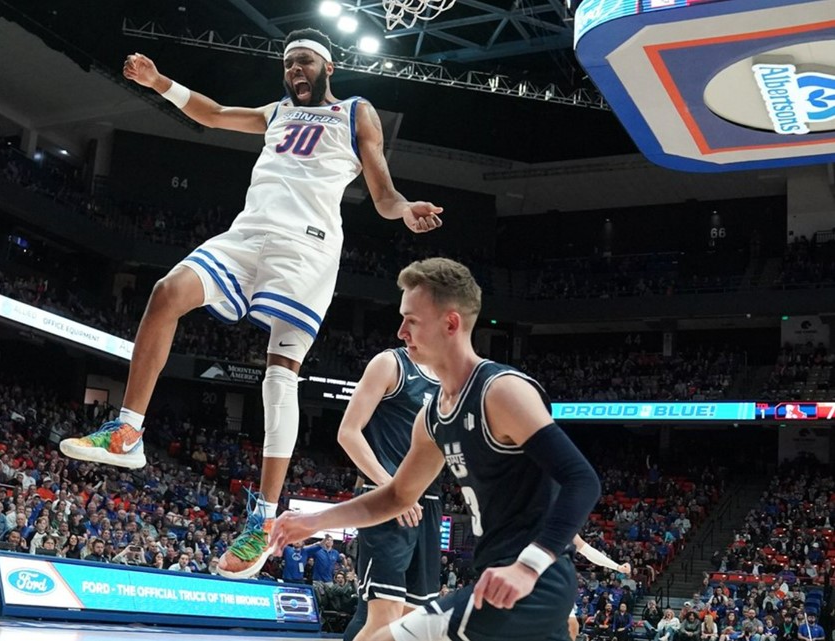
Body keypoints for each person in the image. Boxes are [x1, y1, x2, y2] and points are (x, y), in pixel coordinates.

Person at [60, 27, 443, 579]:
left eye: (305, 63)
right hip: (248, 234)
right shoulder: (277, 111)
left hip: (306, 247)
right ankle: (127, 431)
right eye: (288, 64)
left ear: (328, 68)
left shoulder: (358, 111)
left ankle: (262, 520)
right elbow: (214, 113)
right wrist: (159, 82)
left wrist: (405, 210)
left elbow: (382, 194)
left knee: (279, 375)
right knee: (167, 292)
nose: (294, 72)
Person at [269, 258, 602, 641]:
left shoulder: (502, 391)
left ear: (450, 323)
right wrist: (312, 523)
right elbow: (395, 496)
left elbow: (582, 480)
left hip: (533, 582)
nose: (400, 331)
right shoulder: (433, 416)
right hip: (497, 578)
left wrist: (527, 567)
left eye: (411, 320)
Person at [335, 346, 441, 641]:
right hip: (388, 500)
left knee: (412, 622)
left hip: (430, 504)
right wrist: (393, 488)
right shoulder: (390, 363)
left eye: (413, 318)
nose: (403, 329)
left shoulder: (455, 380)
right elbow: (348, 432)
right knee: (383, 617)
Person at [568, 536, 631, 640]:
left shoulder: (567, 528)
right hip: (540, 581)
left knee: (572, 626)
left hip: (560, 585)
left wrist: (617, 567)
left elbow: (588, 551)